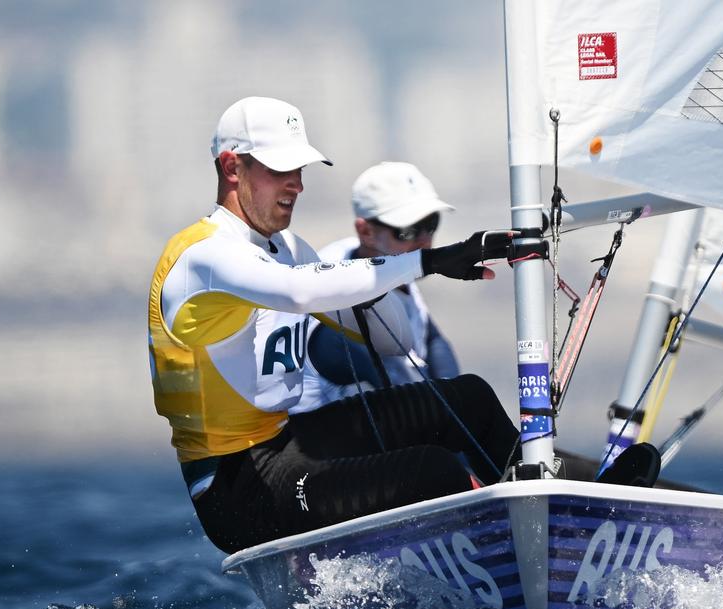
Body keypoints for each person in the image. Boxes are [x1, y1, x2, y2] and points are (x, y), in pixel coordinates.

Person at [147, 96, 521, 554]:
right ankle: (514, 551)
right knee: (433, 469)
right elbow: (297, 292)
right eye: (280, 170)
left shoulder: (286, 247)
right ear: (232, 168)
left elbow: (393, 340)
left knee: (469, 400)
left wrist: (371, 277)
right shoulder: (200, 256)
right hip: (235, 488)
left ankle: (552, 506)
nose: (297, 185)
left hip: (287, 441)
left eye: (300, 169)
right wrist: (432, 259)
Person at [299, 162, 461, 404]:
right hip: (309, 431)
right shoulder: (334, 280)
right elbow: (385, 371)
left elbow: (433, 340)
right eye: (409, 230)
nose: (425, 240)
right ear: (366, 232)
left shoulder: (390, 262)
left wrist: (456, 394)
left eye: (431, 224)